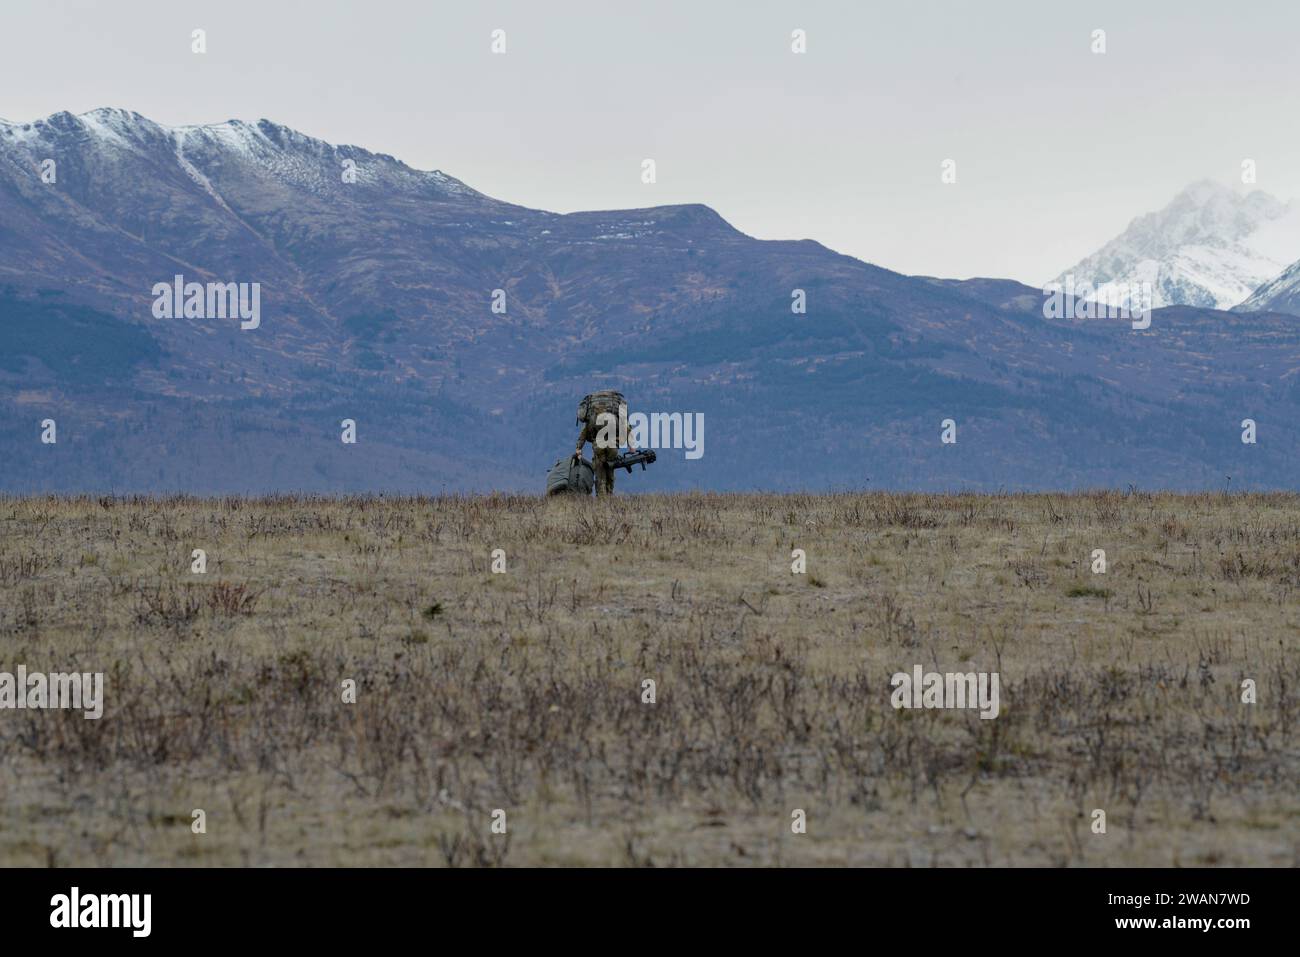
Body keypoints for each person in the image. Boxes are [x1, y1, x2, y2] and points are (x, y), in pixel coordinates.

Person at [573, 392, 636, 497]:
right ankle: (609, 497)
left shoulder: (592, 415)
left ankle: (601, 500)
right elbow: (627, 428)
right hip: (613, 445)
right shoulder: (616, 414)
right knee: (610, 470)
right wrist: (632, 446)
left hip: (598, 446)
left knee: (600, 472)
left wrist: (578, 448)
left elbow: (583, 434)